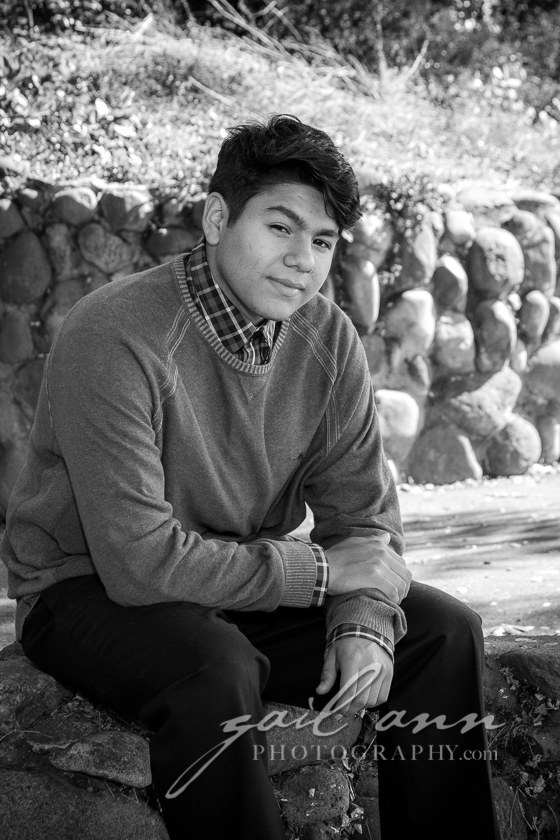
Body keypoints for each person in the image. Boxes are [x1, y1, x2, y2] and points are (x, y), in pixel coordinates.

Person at [1, 115, 500, 840]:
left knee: (443, 633)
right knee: (216, 668)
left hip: (233, 580)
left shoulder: (328, 338)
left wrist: (362, 620)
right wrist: (323, 575)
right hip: (86, 587)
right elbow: (138, 563)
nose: (302, 260)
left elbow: (365, 521)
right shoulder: (114, 334)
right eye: (280, 227)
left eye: (322, 241)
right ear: (216, 219)